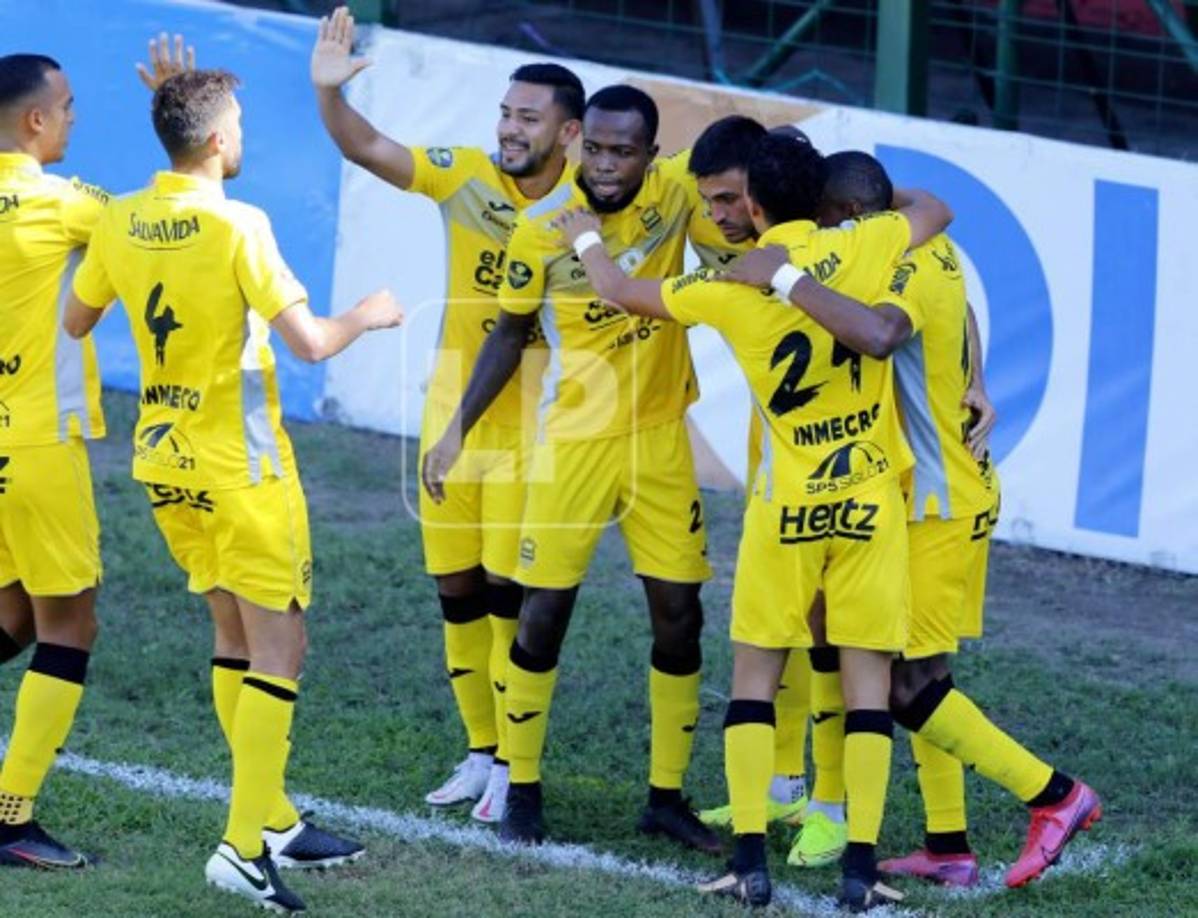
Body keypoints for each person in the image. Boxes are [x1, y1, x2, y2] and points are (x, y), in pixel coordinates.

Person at [553, 133, 952, 909]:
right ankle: (861, 874)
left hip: (789, 507)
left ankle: (748, 864)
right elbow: (933, 207)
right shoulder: (867, 242)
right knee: (868, 685)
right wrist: (847, 215)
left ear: (758, 206)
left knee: (754, 682)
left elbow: (621, 292)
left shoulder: (729, 286)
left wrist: (587, 238)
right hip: (869, 502)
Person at [64, 68, 403, 913]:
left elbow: (76, 319)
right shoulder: (240, 224)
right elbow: (314, 343)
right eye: (240, 124)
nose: (245, 135)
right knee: (282, 650)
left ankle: (275, 819)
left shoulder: (119, 215)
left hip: (165, 461)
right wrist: (369, 313)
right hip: (244, 470)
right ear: (217, 140)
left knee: (234, 636)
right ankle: (242, 848)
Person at [729, 150, 1101, 891]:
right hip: (927, 495)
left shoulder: (895, 270)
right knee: (923, 669)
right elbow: (956, 310)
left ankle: (1054, 795)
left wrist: (787, 277)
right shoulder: (920, 241)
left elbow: (884, 331)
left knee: (904, 686)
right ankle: (947, 845)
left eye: (835, 230)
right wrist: (979, 378)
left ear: (857, 222)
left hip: (937, 503)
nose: (831, 248)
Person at [422, 85, 720, 854]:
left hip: (658, 439)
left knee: (680, 616)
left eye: (626, 153)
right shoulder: (540, 230)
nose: (608, 166)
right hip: (575, 443)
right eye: (598, 149)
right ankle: (521, 788)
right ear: (579, 142)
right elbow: (509, 334)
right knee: (542, 614)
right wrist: (458, 430)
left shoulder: (678, 189)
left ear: (653, 156)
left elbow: (740, 157)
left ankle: (665, 796)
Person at [311, 6, 583, 821]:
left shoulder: (586, 208)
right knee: (456, 593)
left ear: (569, 133)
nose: (508, 129)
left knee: (509, 599)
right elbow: (366, 146)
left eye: (527, 118)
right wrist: (329, 96)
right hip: (449, 415)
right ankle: (478, 753)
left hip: (532, 428)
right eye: (505, 113)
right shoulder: (465, 175)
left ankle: (512, 762)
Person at [0, 37, 191, 869]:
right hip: (38, 441)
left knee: (10, 616)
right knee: (68, 624)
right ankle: (9, 817)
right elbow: (177, 214)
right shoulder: (53, 202)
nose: (75, 118)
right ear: (36, 121)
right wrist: (179, 108)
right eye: (70, 107)